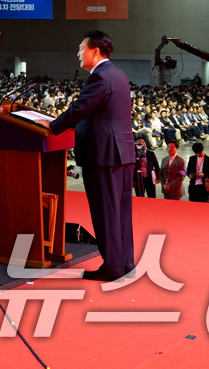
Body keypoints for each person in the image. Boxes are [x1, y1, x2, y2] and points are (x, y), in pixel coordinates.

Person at [45, 30, 135, 282]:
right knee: (121, 213)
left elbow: (80, 108)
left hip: (104, 155)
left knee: (105, 213)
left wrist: (52, 126)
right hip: (121, 152)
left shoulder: (100, 77)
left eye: (81, 48)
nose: (78, 53)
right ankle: (125, 263)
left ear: (95, 51)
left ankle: (112, 268)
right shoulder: (118, 74)